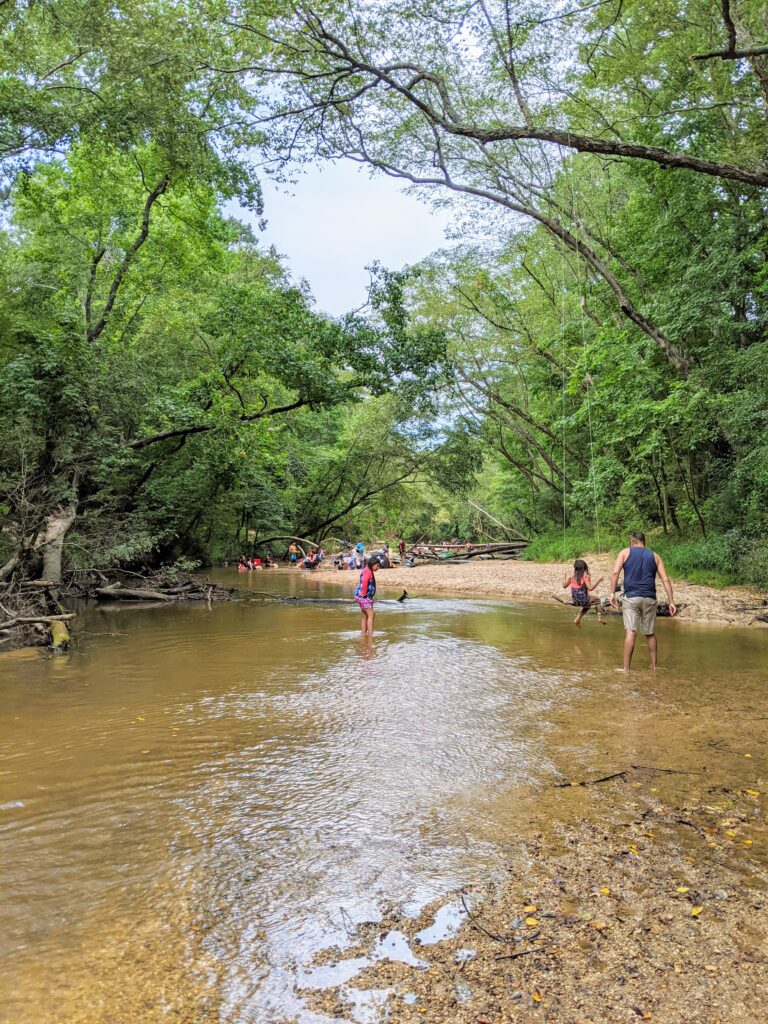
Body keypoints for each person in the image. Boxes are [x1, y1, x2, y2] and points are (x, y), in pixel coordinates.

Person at [610, 531, 677, 672]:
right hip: (650, 598)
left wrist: (612, 594)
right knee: (650, 633)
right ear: (644, 542)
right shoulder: (655, 556)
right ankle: (653, 666)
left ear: (632, 542)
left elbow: (615, 573)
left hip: (631, 598)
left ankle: (626, 669)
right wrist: (671, 602)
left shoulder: (625, 552)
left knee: (631, 632)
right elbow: (665, 579)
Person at [563, 559, 606, 627]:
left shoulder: (571, 577)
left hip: (576, 601)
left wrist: (564, 577)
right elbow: (590, 588)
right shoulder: (585, 576)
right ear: (584, 568)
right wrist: (599, 580)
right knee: (597, 600)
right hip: (584, 600)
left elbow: (564, 586)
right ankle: (599, 618)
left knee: (588, 605)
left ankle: (577, 619)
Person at [355, 555, 381, 635]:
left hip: (364, 597)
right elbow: (364, 582)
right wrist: (364, 595)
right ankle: (370, 635)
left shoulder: (367, 570)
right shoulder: (368, 571)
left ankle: (363, 634)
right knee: (371, 614)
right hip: (364, 596)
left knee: (365, 615)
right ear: (372, 564)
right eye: (377, 565)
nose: (378, 567)